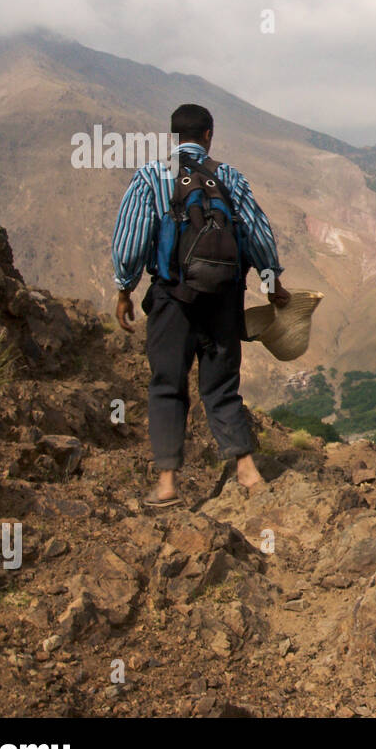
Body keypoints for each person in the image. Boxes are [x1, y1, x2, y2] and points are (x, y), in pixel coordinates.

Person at [111, 103, 289, 508]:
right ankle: (248, 473)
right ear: (209, 135)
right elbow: (257, 234)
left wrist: (124, 289)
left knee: (167, 385)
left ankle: (167, 484)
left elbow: (131, 240)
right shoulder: (229, 177)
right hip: (224, 298)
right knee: (222, 386)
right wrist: (272, 282)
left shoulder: (151, 176)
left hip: (172, 298)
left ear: (173, 137)